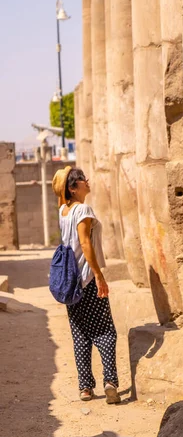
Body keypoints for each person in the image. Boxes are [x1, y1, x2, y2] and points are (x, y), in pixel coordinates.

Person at [52, 166, 121, 404]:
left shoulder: (63, 210)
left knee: (80, 334)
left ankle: (85, 387)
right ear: (73, 188)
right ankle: (110, 382)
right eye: (81, 179)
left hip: (70, 283)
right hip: (87, 280)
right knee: (105, 331)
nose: (87, 180)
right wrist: (99, 276)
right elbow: (85, 244)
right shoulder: (83, 210)